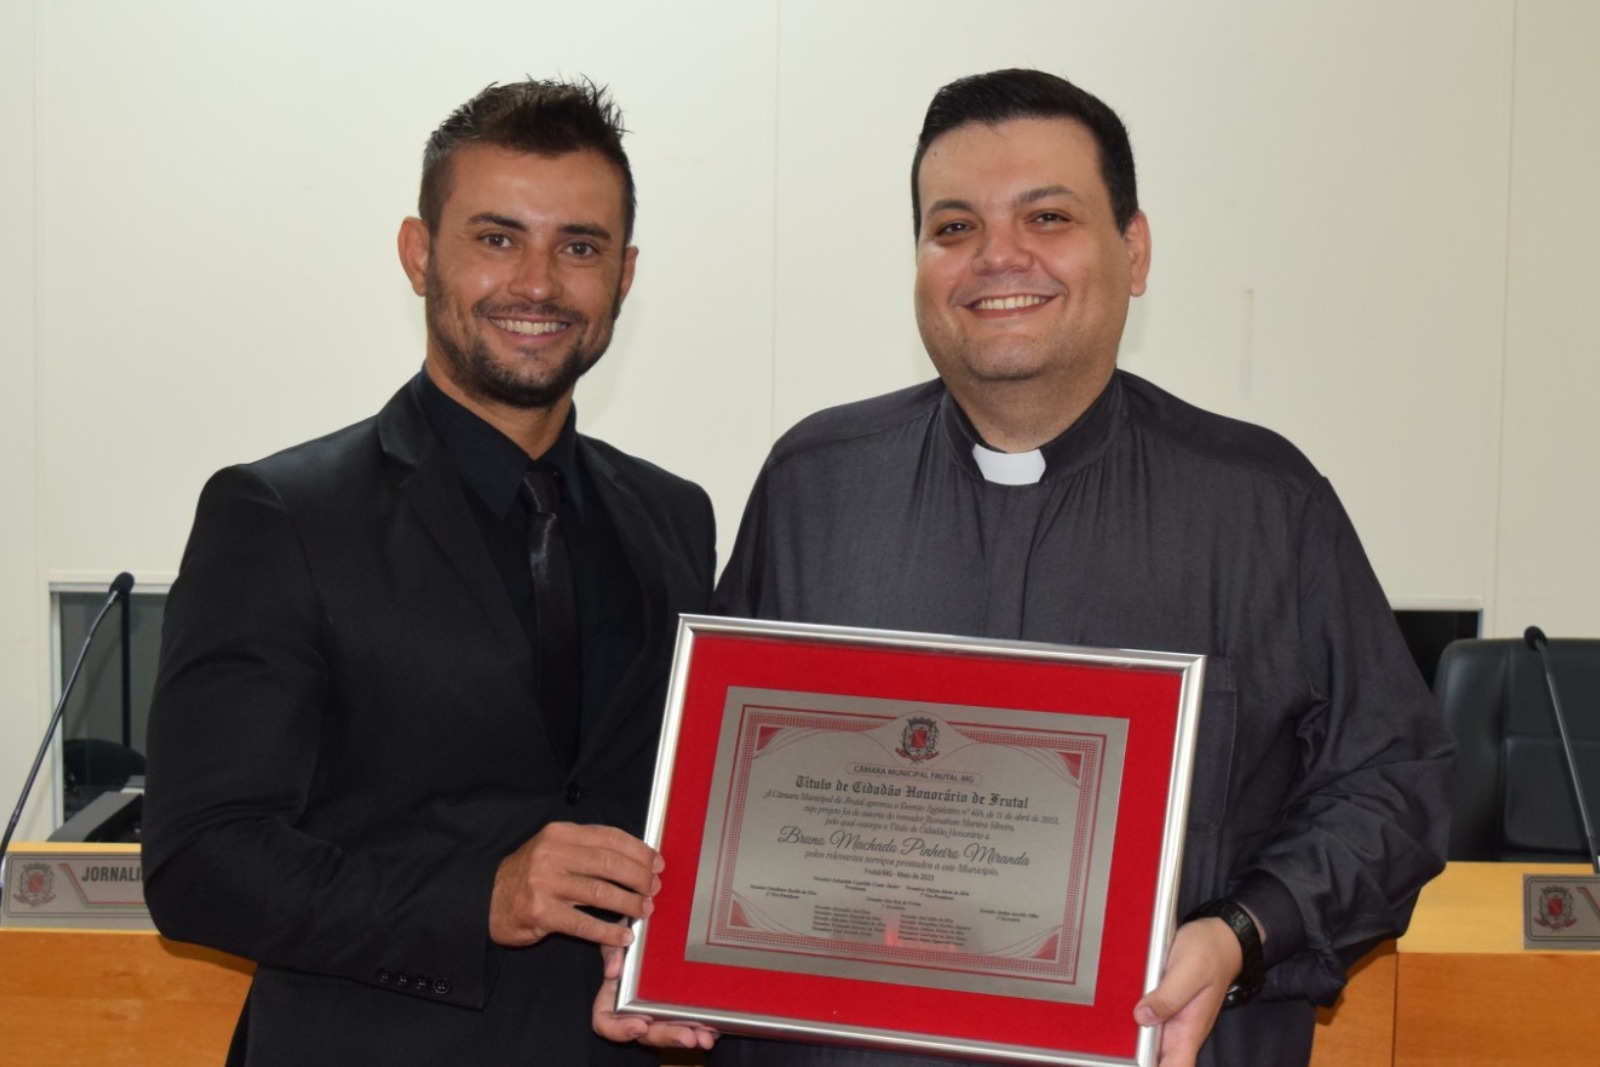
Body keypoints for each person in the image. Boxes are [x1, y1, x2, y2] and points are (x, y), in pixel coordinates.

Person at [698, 69, 1452, 1067]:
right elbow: (717, 795)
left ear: (1132, 252)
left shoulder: (1264, 503)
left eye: (1046, 216)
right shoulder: (814, 487)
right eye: (952, 226)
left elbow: (1393, 787)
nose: (996, 257)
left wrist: (1241, 930)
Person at [141, 79, 716, 1066]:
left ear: (623, 275)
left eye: (578, 246)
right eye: (497, 238)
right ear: (419, 254)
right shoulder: (279, 515)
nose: (538, 281)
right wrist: (474, 895)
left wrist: (693, 962)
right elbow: (200, 862)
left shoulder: (674, 516)